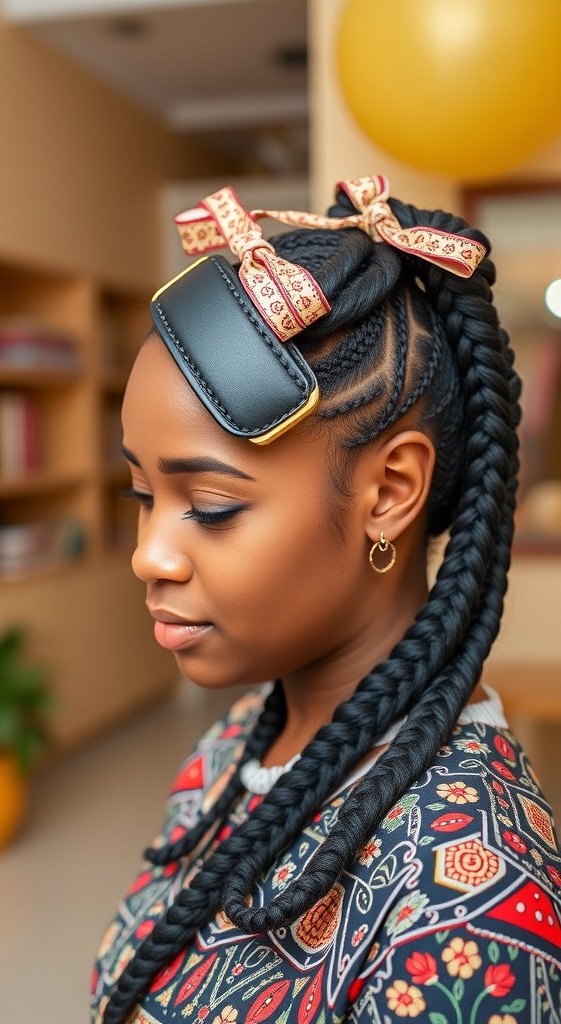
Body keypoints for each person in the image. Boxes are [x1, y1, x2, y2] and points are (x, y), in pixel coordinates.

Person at [91, 177, 561, 1024]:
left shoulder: (468, 897)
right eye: (141, 496)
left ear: (390, 491)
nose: (148, 556)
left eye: (211, 506)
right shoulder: (239, 741)